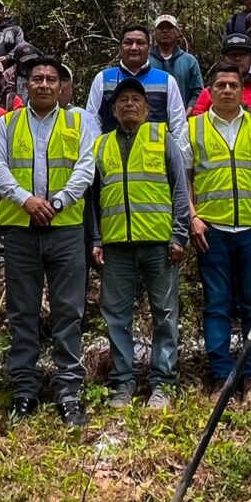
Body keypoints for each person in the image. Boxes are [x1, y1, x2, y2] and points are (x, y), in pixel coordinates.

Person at [0, 55, 96, 426]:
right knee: (22, 312)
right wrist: (26, 200)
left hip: (66, 230)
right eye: (37, 79)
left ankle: (68, 391)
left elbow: (86, 167)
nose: (45, 85)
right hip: (20, 230)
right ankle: (24, 390)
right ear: (25, 85)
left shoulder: (79, 121)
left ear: (62, 86)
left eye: (52, 79)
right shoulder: (7, 124)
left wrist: (59, 201)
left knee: (68, 312)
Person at [90, 78, 191, 409]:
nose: (129, 104)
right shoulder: (100, 145)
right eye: (122, 101)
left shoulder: (163, 138)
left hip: (160, 244)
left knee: (164, 314)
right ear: (114, 111)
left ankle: (162, 382)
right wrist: (96, 239)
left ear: (148, 109)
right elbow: (93, 199)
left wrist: (179, 234)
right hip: (116, 245)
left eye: (136, 99)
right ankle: (123, 383)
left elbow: (180, 189)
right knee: (117, 316)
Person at [189, 64, 251, 396]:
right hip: (213, 228)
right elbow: (183, 180)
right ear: (209, 91)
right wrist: (192, 217)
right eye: (220, 85)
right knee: (217, 304)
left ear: (241, 90)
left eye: (232, 85)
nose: (226, 90)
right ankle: (222, 373)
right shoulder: (192, 128)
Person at [84, 25, 190, 153]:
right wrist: (98, 153)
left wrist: (174, 158)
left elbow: (177, 125)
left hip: (154, 161)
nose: (134, 47)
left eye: (140, 43)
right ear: (120, 47)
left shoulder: (166, 80)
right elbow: (92, 121)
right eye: (128, 42)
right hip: (112, 159)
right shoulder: (103, 78)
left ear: (149, 48)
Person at [191, 34, 251, 119]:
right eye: (232, 55)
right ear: (222, 59)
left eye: (243, 55)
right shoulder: (210, 92)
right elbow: (198, 126)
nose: (237, 59)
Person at [148, 15, 205, 105]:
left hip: (183, 117)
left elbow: (198, 92)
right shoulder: (146, 61)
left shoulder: (189, 61)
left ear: (177, 32)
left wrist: (187, 112)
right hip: (152, 118)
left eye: (169, 27)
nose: (164, 31)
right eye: (160, 28)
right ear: (154, 33)